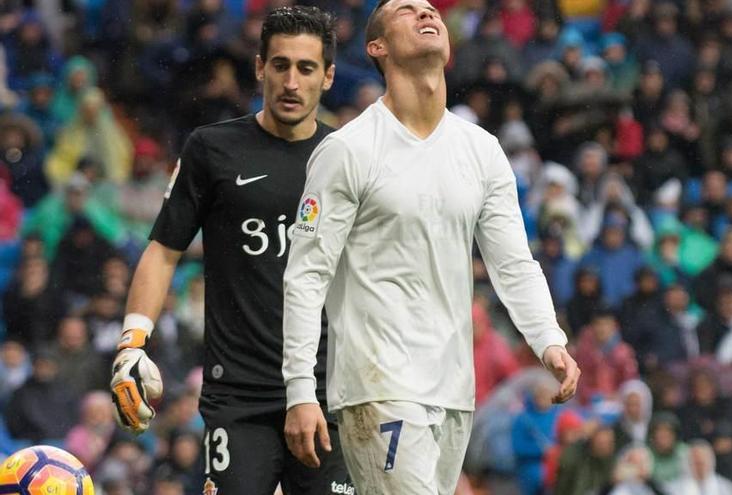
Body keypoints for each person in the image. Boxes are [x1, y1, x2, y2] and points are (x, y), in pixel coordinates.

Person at [281, 1, 580, 493]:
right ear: (377, 47)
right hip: (377, 384)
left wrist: (549, 339)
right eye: (405, 10)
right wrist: (298, 389)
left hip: (453, 388)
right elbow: (306, 274)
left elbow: (512, 263)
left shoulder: (481, 151)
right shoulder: (347, 151)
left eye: (430, 9)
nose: (426, 13)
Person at [108, 7, 351, 495]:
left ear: (327, 77)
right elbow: (163, 249)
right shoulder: (211, 149)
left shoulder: (351, 158)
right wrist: (132, 342)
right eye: (280, 65)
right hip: (238, 397)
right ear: (259, 66)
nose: (291, 81)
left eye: (306, 68)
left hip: (331, 392)